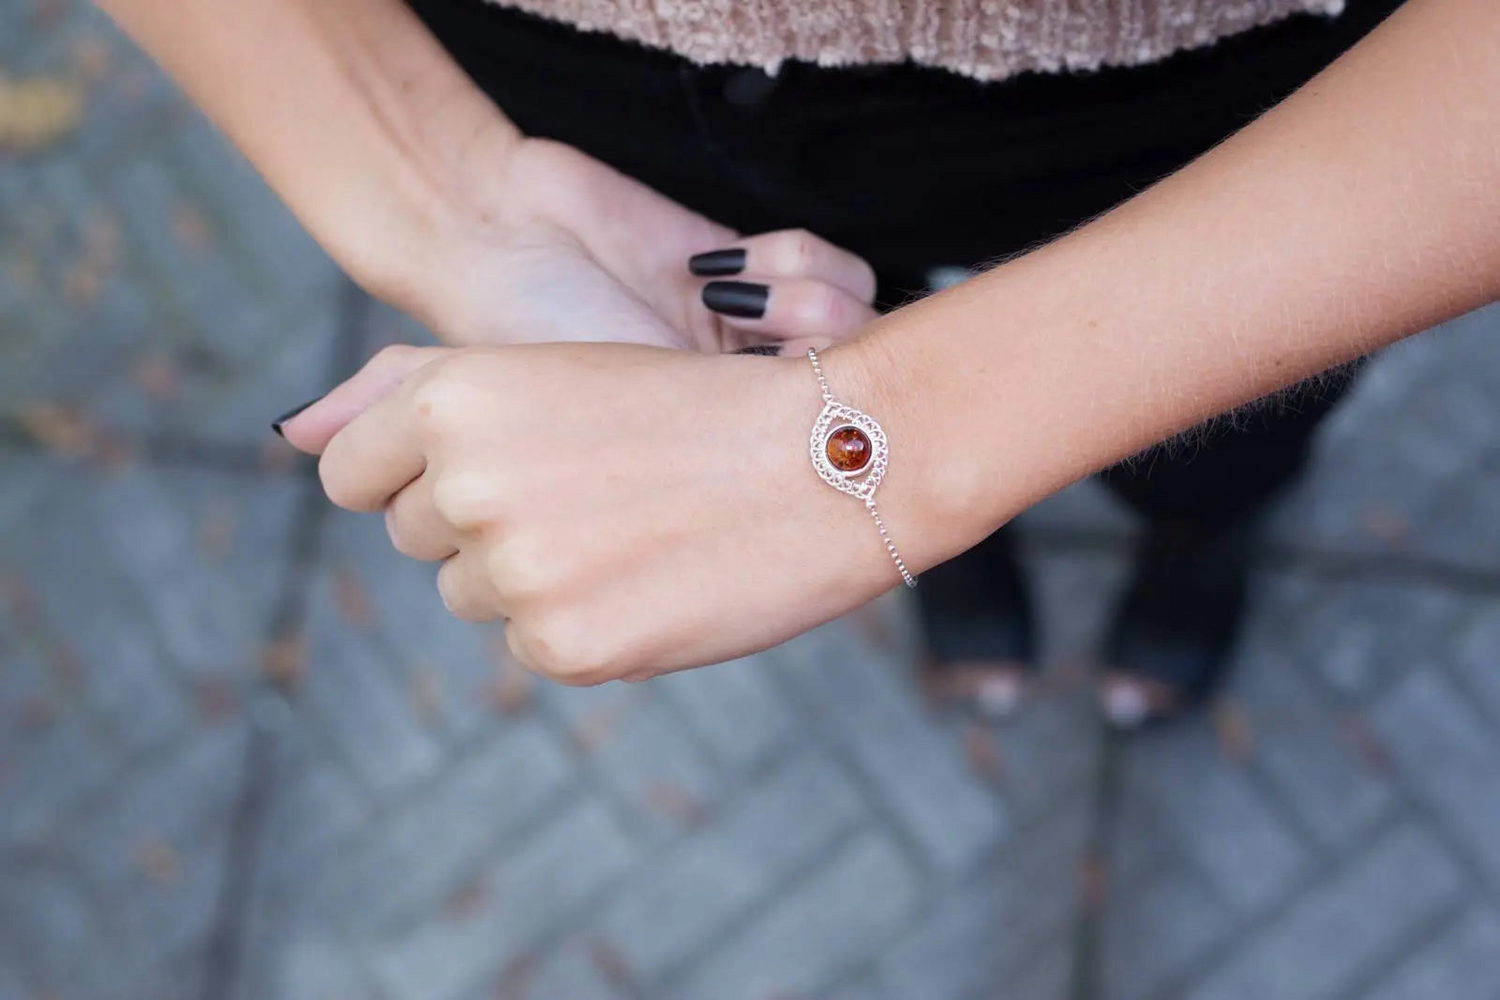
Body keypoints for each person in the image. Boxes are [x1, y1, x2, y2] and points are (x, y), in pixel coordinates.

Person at [100, 0, 1499, 723]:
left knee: (1217, 428)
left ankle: (1194, 541)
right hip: (547, 76)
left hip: (1235, 86)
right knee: (795, 327)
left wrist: (897, 450)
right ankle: (950, 552)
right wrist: (440, 190)